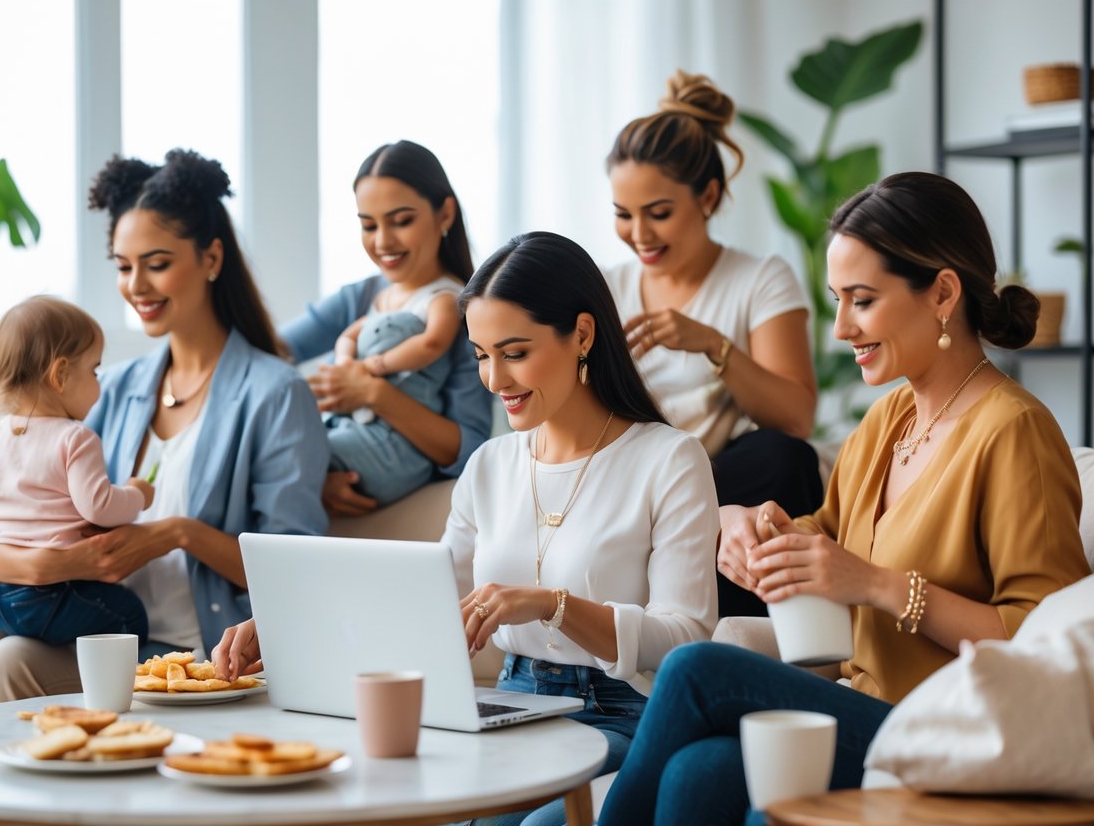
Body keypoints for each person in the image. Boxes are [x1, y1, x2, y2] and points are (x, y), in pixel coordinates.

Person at [596, 172, 1092, 826]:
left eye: (860, 301)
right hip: (862, 705)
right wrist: (746, 526)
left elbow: (1041, 642)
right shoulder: (889, 421)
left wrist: (883, 588)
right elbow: (825, 535)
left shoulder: (1013, 432)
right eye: (836, 300)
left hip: (943, 731)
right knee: (697, 773)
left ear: (941, 292)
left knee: (694, 669)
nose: (838, 329)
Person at [216, 232, 720, 826]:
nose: (493, 379)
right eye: (481, 354)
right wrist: (282, 629)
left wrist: (552, 605)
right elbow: (423, 607)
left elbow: (686, 640)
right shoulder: (492, 465)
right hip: (508, 707)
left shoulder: (670, 459)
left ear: (582, 334)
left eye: (514, 352)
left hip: (620, 716)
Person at [0, 148, 329, 704]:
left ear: (211, 258)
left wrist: (176, 533)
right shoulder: (111, 387)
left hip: (204, 654)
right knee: (6, 661)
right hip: (105, 638)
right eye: (122, 265)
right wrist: (27, 561)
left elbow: (295, 567)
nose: (135, 285)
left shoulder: (274, 393)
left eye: (156, 263)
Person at [604, 70, 823, 618]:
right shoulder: (607, 288)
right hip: (634, 477)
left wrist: (712, 344)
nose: (640, 234)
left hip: (721, 475)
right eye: (623, 215)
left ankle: (736, 636)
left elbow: (796, 416)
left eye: (658, 213)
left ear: (708, 195)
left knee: (781, 456)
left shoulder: (760, 279)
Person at [280, 140, 491, 514]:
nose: (382, 242)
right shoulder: (362, 297)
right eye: (368, 225)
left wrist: (371, 391)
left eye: (402, 221)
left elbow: (469, 450)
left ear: (445, 214)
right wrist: (319, 480)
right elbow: (274, 349)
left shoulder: (462, 311)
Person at [0, 296, 154, 645]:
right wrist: (137, 495)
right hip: (58, 593)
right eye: (94, 370)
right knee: (131, 615)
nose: (99, 384)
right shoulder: (77, 438)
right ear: (60, 375)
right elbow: (99, 507)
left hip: (0, 599)